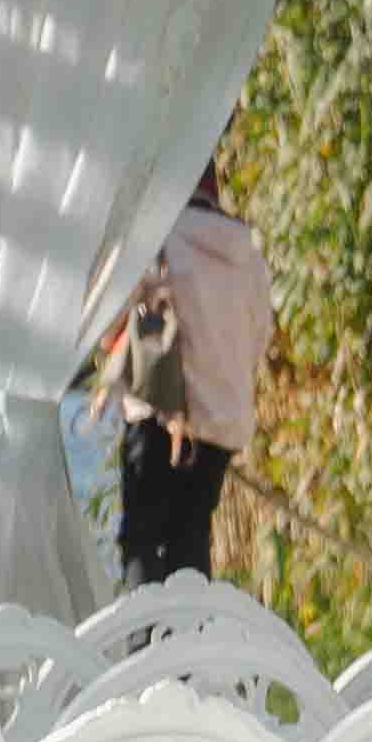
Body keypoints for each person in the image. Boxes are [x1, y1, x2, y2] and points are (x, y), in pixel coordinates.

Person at [93, 168, 271, 589]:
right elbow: (259, 335)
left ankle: (144, 648)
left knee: (141, 539)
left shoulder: (153, 238)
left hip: (158, 411)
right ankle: (191, 645)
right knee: (191, 535)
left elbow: (108, 328)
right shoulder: (244, 249)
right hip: (222, 421)